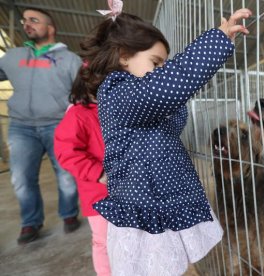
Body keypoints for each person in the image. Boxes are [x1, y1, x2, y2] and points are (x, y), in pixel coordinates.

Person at [80, 7, 251, 275]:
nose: (161, 71)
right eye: (156, 62)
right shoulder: (117, 92)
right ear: (124, 56)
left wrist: (174, 99)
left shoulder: (143, 101)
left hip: (165, 203)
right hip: (145, 212)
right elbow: (168, 87)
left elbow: (171, 115)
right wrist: (215, 42)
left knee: (175, 266)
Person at [0, 8, 81, 245]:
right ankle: (31, 222)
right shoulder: (13, 56)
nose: (27, 24)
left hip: (58, 124)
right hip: (21, 126)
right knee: (22, 177)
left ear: (51, 28)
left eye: (34, 21)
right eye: (25, 21)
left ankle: (69, 215)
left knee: (66, 174)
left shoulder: (70, 60)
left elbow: (82, 93)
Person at [54, 72, 110, 276]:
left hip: (126, 191)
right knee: (103, 240)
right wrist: (98, 172)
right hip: (98, 195)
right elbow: (66, 152)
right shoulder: (78, 114)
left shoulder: (116, 111)